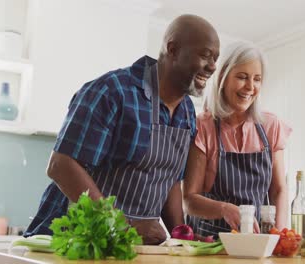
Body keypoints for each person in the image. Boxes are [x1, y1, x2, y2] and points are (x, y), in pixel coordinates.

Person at [24, 14, 220, 245]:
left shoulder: (186, 111)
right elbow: (61, 165)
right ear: (173, 49)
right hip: (72, 241)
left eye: (216, 59)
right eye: (205, 55)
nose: (213, 66)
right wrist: (122, 225)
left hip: (129, 247)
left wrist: (180, 236)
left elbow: (170, 180)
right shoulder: (112, 91)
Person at [183, 42, 291, 238]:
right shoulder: (203, 127)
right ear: (223, 77)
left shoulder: (270, 126)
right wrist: (224, 208)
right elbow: (189, 200)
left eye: (257, 79)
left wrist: (280, 234)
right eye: (242, 77)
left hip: (256, 242)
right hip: (211, 243)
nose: (250, 87)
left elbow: (278, 189)